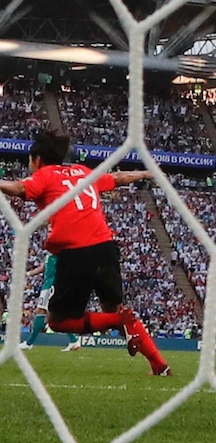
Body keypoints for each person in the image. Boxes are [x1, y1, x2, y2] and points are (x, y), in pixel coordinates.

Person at [0, 128, 171, 376]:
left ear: (37, 160)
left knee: (57, 321)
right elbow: (119, 177)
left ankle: (120, 322)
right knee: (115, 310)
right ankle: (159, 365)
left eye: (29, 160)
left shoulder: (45, 175)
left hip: (76, 252)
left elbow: (17, 188)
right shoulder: (82, 171)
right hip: (106, 248)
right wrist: (146, 172)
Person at [18, 253, 82, 352]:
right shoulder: (49, 254)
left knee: (41, 311)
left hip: (51, 286)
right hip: (48, 285)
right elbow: (43, 267)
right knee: (58, 316)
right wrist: (28, 274)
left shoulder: (60, 252)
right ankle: (74, 341)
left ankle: (29, 343)